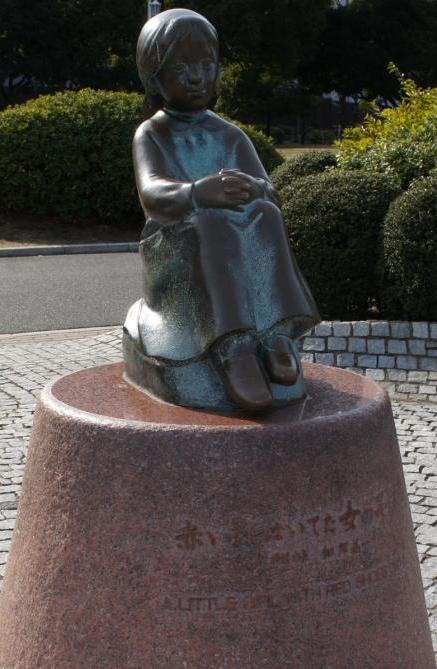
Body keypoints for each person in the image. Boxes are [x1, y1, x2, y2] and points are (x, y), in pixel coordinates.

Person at [123, 9, 320, 412]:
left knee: (267, 215)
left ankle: (275, 332)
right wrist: (197, 193)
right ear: (154, 77)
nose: (196, 77)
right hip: (175, 247)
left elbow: (269, 189)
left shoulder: (230, 134)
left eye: (205, 64)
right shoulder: (152, 134)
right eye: (181, 67)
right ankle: (233, 347)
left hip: (234, 236)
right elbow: (153, 194)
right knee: (210, 224)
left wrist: (253, 189)